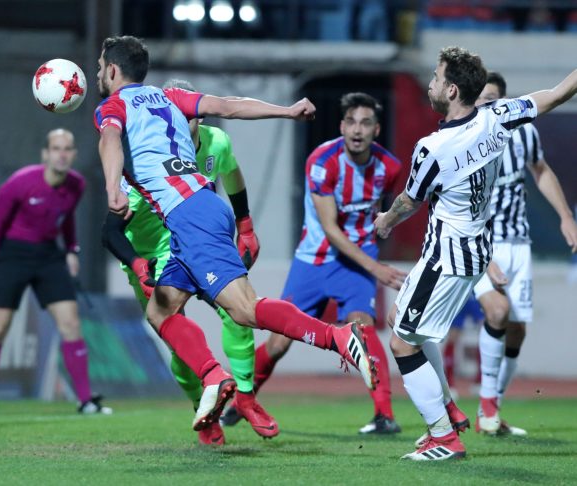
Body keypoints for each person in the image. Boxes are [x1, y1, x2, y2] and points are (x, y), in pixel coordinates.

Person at [95, 35, 375, 434]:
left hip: (191, 215)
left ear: (112, 70)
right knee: (161, 310)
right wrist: (286, 111)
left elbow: (109, 139)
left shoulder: (113, 106)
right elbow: (228, 106)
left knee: (244, 309)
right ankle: (213, 377)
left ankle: (337, 337)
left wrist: (112, 187)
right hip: (199, 210)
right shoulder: (170, 96)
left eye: (99, 67)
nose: (97, 74)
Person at [374, 46, 577, 460]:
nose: (430, 83)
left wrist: (385, 221)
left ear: (451, 90)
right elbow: (556, 94)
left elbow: (409, 201)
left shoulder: (433, 147)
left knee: (401, 343)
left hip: (447, 257)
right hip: (473, 250)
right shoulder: (497, 117)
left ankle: (443, 436)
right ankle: (449, 409)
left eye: (436, 78)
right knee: (402, 321)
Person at [102, 78, 277, 445]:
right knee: (177, 339)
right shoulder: (145, 162)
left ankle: (246, 397)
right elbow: (110, 231)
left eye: (189, 116)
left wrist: (245, 225)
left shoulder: (216, 142)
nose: (182, 123)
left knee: (237, 311)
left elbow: (232, 174)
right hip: (152, 257)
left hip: (194, 242)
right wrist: (137, 264)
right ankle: (203, 407)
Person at [221, 92, 405, 434]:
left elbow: (387, 210)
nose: (357, 130)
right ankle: (241, 400)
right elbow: (331, 230)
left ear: (376, 130)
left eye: (365, 123)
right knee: (278, 343)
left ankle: (384, 415)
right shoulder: (323, 161)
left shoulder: (389, 167)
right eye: (351, 122)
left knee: (363, 328)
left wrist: (383, 228)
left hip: (356, 264)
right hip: (314, 261)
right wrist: (377, 268)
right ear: (342, 126)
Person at [0, 129, 111, 416]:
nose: (62, 154)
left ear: (74, 154)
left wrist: (71, 250)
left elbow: (66, 219)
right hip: (13, 254)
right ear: (45, 154)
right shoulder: (19, 183)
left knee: (71, 324)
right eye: (56, 148)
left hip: (49, 255)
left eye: (67, 149)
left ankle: (85, 401)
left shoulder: (77, 185)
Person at [473, 72, 577, 436]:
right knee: (497, 312)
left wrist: (565, 216)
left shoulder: (524, 133)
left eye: (492, 100)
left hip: (518, 243)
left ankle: (490, 412)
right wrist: (485, 255)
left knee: (516, 330)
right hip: (479, 243)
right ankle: (483, 406)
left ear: (504, 103)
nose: (485, 106)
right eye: (480, 99)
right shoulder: (466, 139)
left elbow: (541, 170)